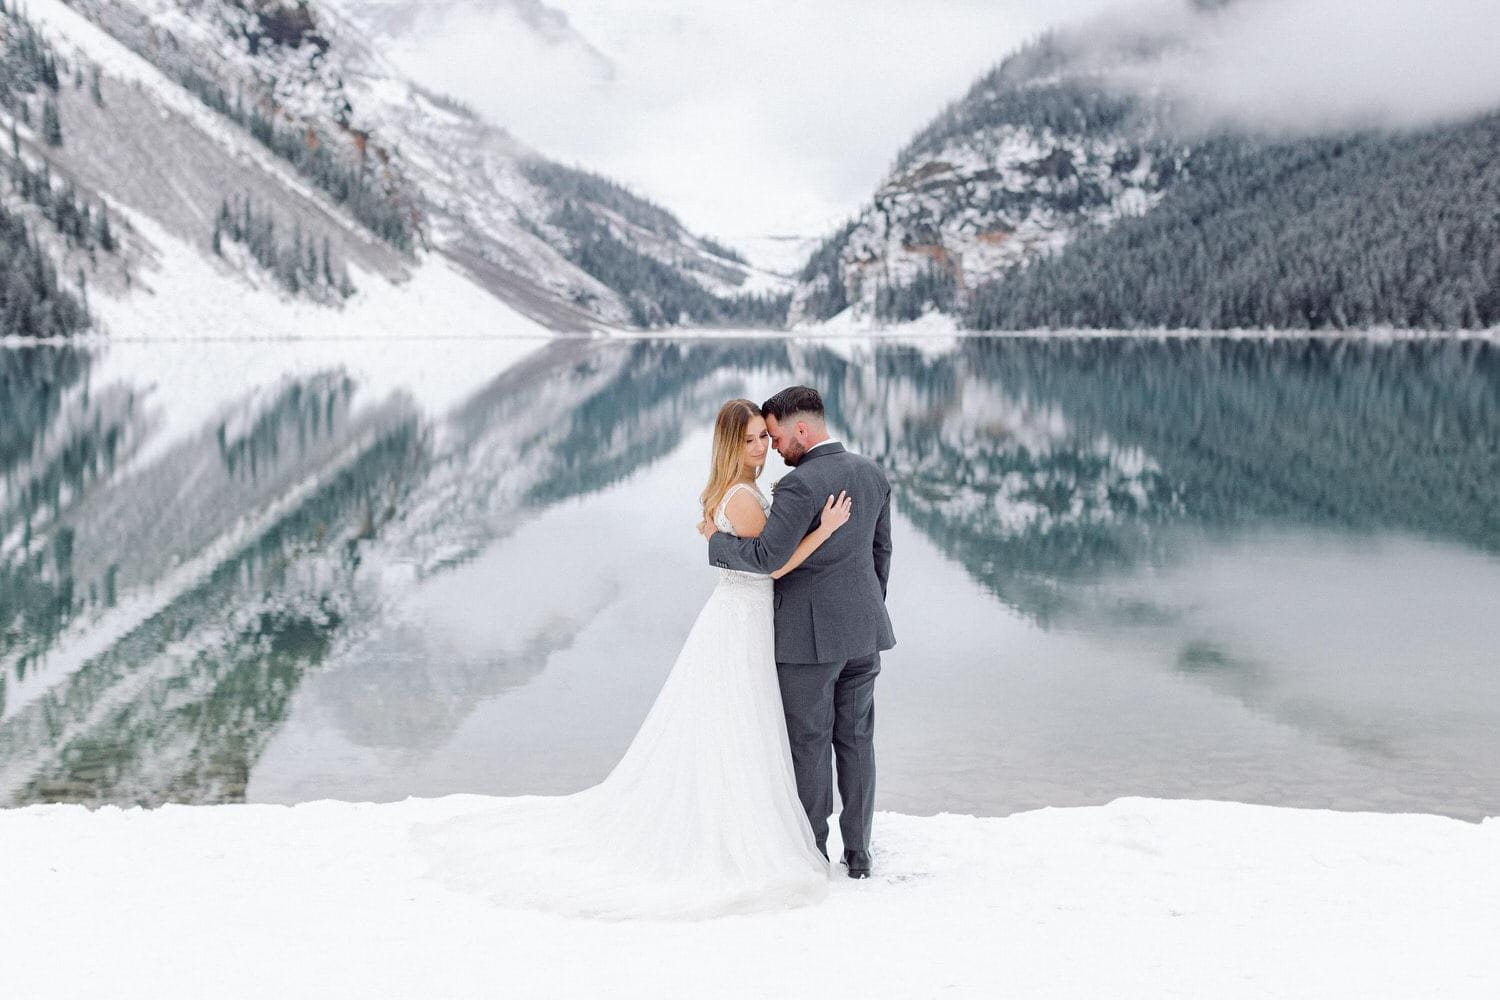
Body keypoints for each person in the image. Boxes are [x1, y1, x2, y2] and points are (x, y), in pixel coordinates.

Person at [415, 399, 852, 919]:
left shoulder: (737, 493)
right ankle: (735, 822)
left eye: (763, 437)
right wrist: (823, 531)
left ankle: (731, 809)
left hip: (741, 615)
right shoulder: (745, 500)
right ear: (730, 446)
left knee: (732, 721)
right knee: (739, 719)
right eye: (751, 439)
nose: (761, 447)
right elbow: (772, 566)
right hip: (744, 617)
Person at [701, 385, 895, 879]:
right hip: (863, 632)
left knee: (809, 744)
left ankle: (812, 852)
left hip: (807, 641)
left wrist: (717, 542)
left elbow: (769, 559)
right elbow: (881, 555)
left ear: (801, 430)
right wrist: (867, 611)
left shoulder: (799, 486)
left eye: (776, 437)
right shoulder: (872, 473)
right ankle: (859, 855)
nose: (773, 448)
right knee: (856, 740)